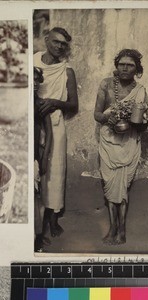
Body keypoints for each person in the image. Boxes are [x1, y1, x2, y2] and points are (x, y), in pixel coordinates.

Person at [94, 49, 148, 245]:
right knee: (109, 188)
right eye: (122, 64)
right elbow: (97, 115)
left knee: (123, 188)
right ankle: (112, 228)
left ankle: (122, 230)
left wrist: (138, 119)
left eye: (130, 65)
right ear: (117, 66)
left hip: (129, 144)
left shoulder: (140, 90)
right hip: (109, 143)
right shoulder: (106, 84)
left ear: (137, 69)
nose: (125, 68)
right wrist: (113, 117)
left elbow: (144, 124)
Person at [34, 27, 78, 237]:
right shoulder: (31, 62)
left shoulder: (66, 71)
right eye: (56, 41)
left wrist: (53, 102)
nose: (59, 46)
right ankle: (36, 225)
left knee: (54, 173)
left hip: (56, 125)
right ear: (46, 40)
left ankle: (52, 220)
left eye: (63, 44)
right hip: (34, 123)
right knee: (35, 170)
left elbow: (73, 105)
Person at [34, 67, 52, 252]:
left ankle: (37, 238)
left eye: (37, 80)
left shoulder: (40, 104)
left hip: (34, 158)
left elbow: (49, 134)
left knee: (36, 197)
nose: (35, 83)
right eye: (31, 79)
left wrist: (44, 157)